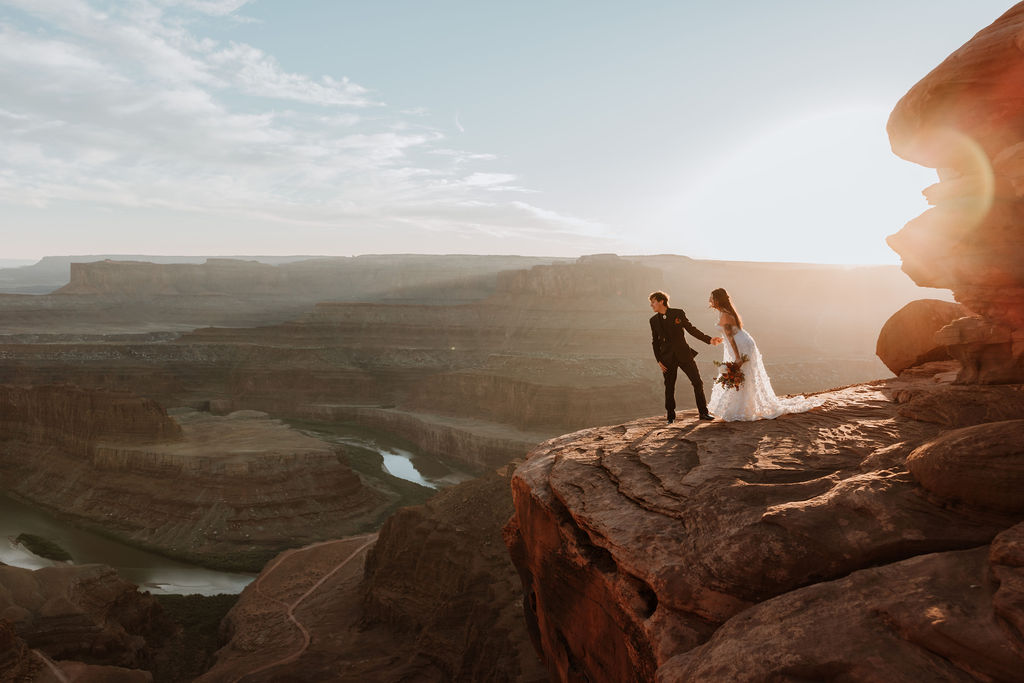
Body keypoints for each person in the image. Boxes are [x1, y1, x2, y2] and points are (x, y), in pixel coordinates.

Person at [707, 287, 824, 421]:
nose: (710, 300)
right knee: (745, 374)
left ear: (717, 300)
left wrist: (738, 357)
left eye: (712, 298)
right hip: (742, 342)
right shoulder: (726, 312)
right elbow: (731, 333)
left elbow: (732, 337)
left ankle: (743, 408)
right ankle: (745, 406)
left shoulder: (725, 314)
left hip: (740, 345)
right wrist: (722, 340)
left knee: (742, 372)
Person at [648, 291, 722, 423]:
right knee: (669, 387)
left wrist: (709, 340)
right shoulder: (653, 321)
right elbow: (655, 342)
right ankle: (670, 417)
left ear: (661, 301)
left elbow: (691, 329)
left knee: (697, 382)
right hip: (667, 359)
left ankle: (703, 413)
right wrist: (659, 360)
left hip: (684, 355)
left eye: (653, 302)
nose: (651, 305)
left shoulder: (678, 313)